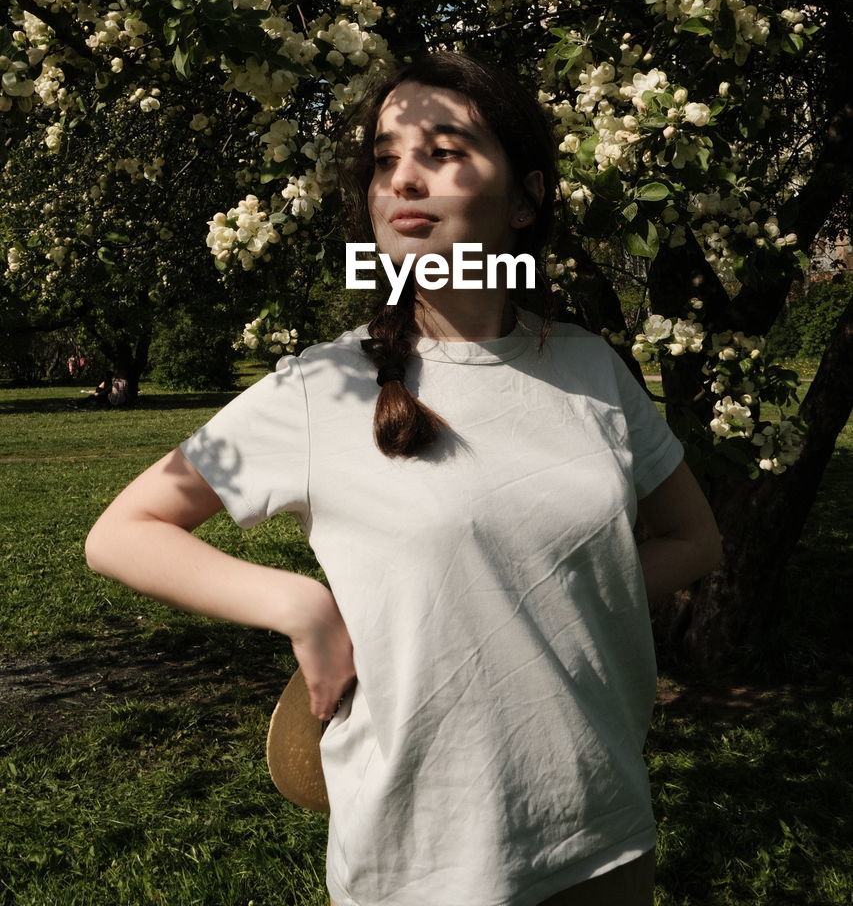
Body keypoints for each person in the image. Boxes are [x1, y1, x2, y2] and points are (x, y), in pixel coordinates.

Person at [86, 51, 722, 906]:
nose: (405, 179)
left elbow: (693, 537)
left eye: (445, 150)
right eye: (386, 159)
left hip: (603, 830)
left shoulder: (590, 369)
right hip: (423, 861)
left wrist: (565, 594)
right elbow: (122, 532)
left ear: (527, 195)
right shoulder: (323, 385)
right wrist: (299, 607)